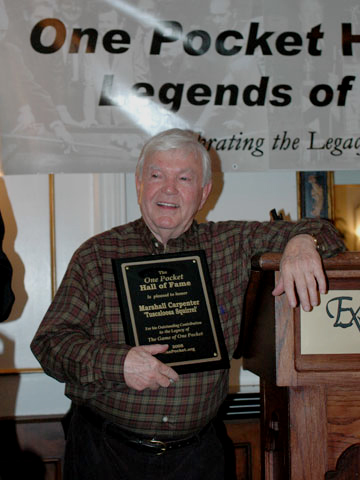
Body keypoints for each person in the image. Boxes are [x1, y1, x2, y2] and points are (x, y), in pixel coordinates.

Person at [31, 128, 345, 479]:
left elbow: (327, 232)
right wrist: (118, 363)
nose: (168, 188)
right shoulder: (96, 255)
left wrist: (302, 242)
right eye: (156, 175)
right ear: (139, 184)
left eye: (184, 178)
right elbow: (49, 344)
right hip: (106, 454)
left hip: (196, 459)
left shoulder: (232, 244)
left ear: (204, 192)